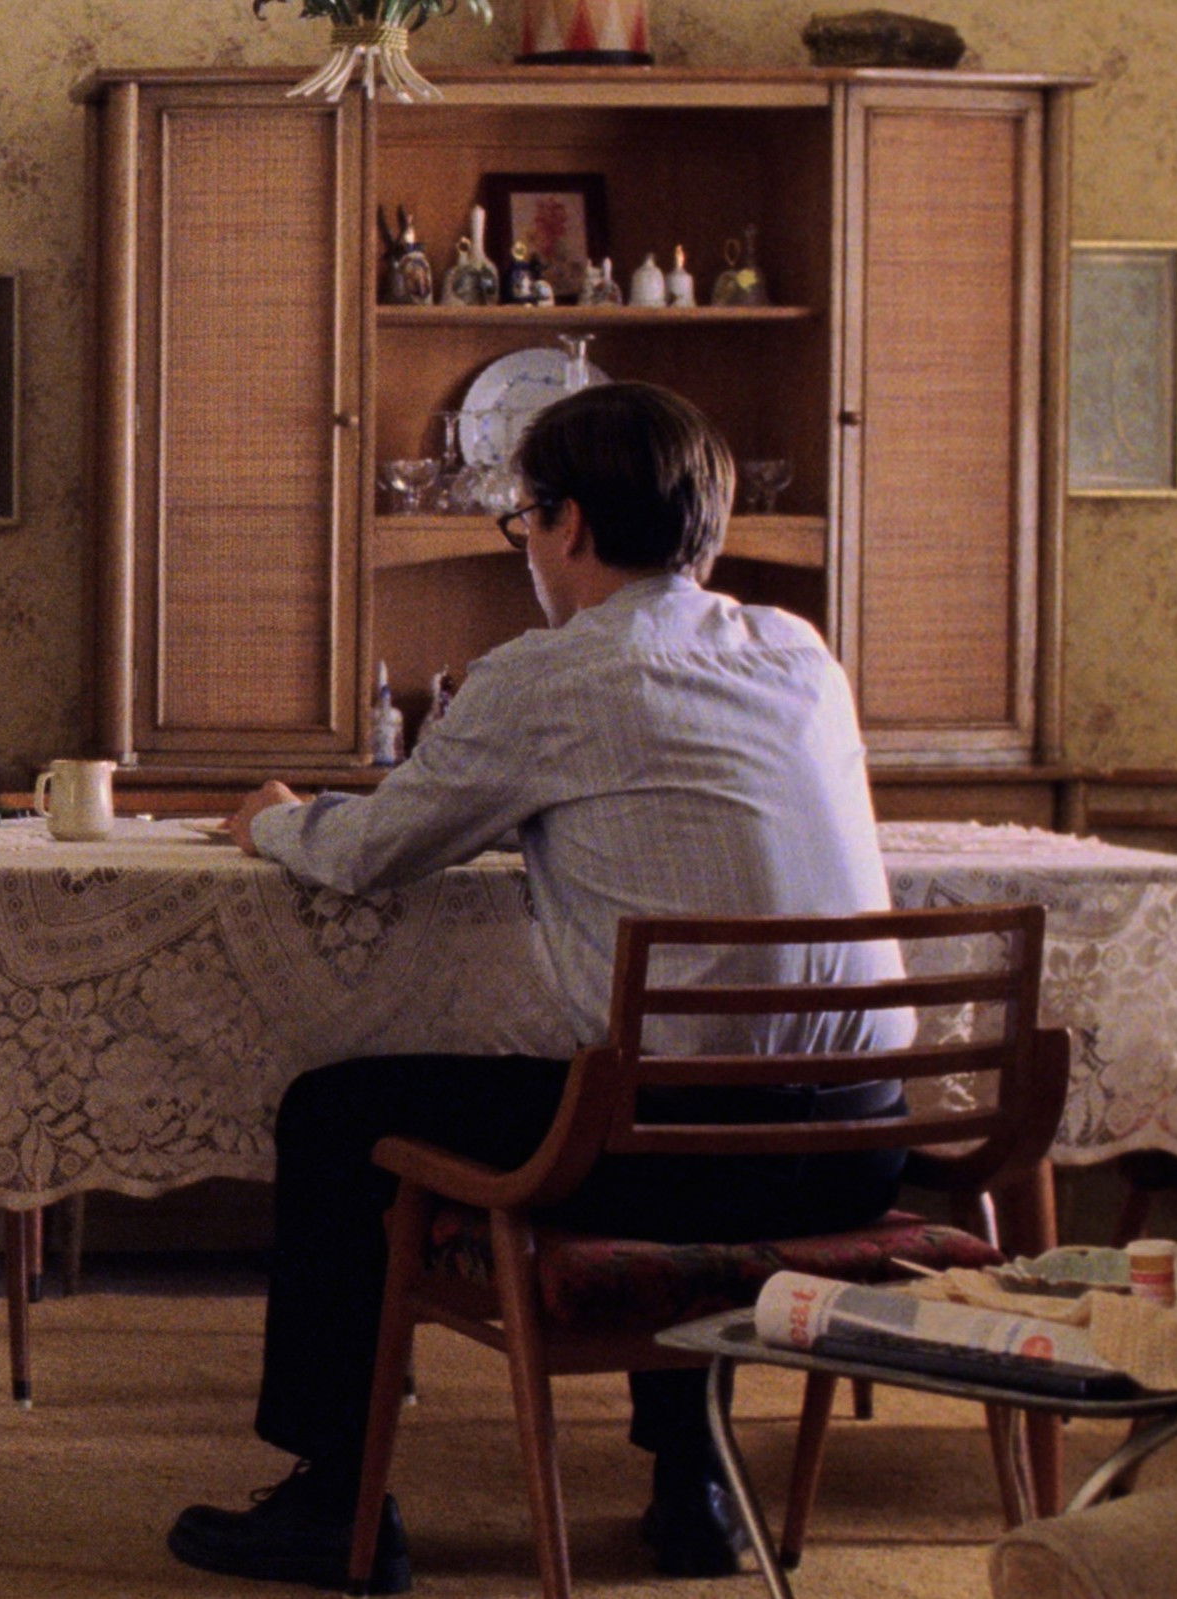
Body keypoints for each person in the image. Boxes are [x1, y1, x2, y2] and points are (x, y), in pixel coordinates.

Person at [169, 383, 910, 1594]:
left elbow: (373, 854)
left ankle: (331, 1504)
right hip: (858, 1148)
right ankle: (692, 1485)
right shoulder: (798, 652)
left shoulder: (553, 676)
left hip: (677, 1159)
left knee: (334, 1113)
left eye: (523, 521)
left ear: (567, 524)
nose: (525, 548)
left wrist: (275, 822)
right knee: (672, 1074)